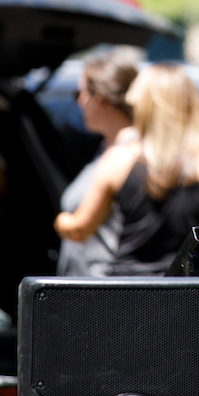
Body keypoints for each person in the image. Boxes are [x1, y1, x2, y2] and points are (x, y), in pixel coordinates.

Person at [54, 63, 199, 273]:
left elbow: (80, 230)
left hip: (131, 292)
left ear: (143, 105)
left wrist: (63, 221)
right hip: (191, 294)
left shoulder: (119, 158)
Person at [56, 51, 140, 276]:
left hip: (104, 289)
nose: (79, 101)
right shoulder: (107, 149)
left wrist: (63, 222)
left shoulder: (130, 155)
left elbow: (79, 229)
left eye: (80, 93)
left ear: (100, 100)